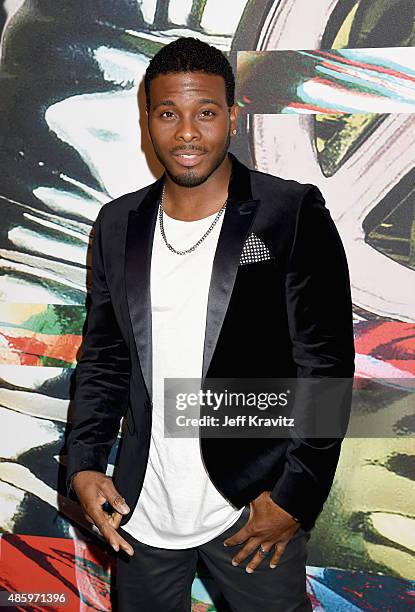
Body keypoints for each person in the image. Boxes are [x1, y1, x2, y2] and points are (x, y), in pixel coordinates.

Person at [66, 36, 355, 611]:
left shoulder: (289, 212)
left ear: (232, 115)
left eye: (206, 113)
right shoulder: (118, 221)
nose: (188, 133)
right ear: (148, 119)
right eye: (169, 113)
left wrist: (292, 498)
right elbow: (104, 356)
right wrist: (84, 463)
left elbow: (324, 367)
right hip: (141, 509)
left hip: (251, 508)